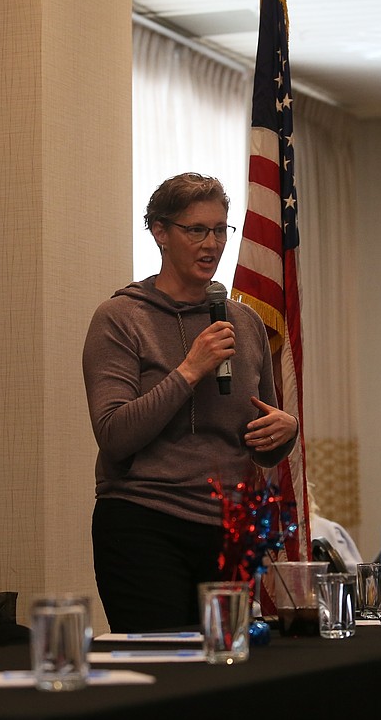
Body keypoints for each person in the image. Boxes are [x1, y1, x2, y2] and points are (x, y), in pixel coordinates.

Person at [83, 172, 298, 632]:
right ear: (160, 232)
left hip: (229, 529)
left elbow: (260, 437)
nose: (212, 244)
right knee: (167, 679)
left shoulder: (244, 321)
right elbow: (115, 435)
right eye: (196, 230)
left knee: (226, 680)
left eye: (221, 230)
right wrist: (188, 370)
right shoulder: (121, 318)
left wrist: (284, 432)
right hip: (145, 522)